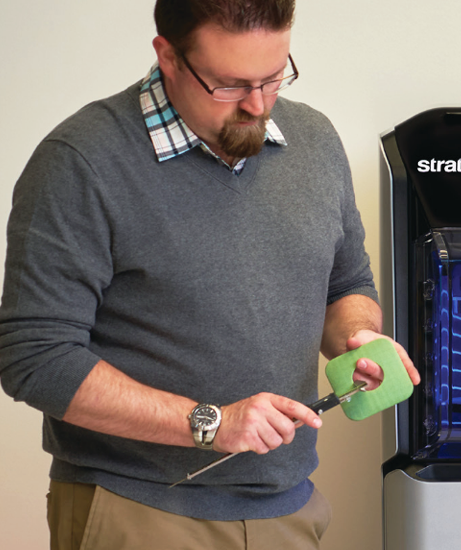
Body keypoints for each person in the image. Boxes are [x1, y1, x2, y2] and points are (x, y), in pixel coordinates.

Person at [0, 0, 419, 548]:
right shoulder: (80, 161)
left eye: (274, 76)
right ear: (168, 57)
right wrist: (211, 423)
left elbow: (345, 286)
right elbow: (34, 357)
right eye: (230, 84)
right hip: (140, 510)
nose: (258, 104)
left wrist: (357, 337)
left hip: (289, 508)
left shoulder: (315, 140)